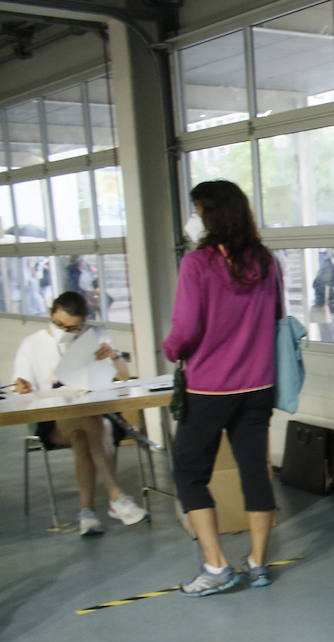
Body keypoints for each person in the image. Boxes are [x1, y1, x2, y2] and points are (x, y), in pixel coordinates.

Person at [163, 180, 280, 597]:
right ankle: (258, 563)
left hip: (210, 389)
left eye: (196, 211)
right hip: (259, 384)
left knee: (189, 472)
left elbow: (186, 328)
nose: (193, 220)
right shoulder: (267, 262)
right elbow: (278, 315)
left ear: (210, 214)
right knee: (255, 471)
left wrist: (170, 348)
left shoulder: (198, 264)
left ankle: (216, 566)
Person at [11, 290, 149, 535]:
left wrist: (114, 357)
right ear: (51, 314)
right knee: (90, 422)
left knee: (83, 434)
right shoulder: (31, 344)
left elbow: (124, 376)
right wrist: (23, 387)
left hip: (95, 416)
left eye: (73, 328)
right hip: (53, 420)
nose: (65, 331)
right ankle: (115, 496)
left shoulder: (96, 335)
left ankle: (87, 513)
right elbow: (20, 391)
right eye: (59, 325)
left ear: (84, 322)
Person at [310, 248, 334, 343]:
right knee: (329, 339)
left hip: (333, 308)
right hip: (327, 309)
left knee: (331, 337)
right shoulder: (328, 266)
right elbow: (318, 285)